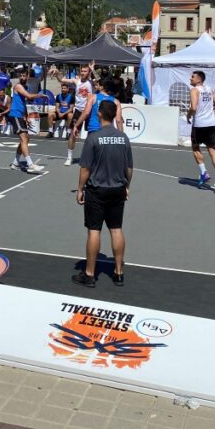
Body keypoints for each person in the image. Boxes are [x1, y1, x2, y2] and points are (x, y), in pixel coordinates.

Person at [73, 100, 133, 288]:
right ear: (115, 115)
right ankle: (118, 272)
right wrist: (127, 185)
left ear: (99, 114)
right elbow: (129, 167)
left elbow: (85, 168)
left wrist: (80, 188)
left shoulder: (94, 138)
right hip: (117, 188)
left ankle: (90, 274)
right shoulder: (123, 138)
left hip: (97, 189)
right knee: (116, 229)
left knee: (94, 230)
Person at [187, 70, 215, 193]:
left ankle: (204, 172)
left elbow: (193, 107)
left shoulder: (194, 90)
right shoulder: (209, 89)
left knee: (195, 148)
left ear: (199, 79)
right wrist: (208, 109)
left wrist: (188, 115)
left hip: (199, 125)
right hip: (211, 124)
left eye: (192, 77)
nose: (190, 78)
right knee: (212, 150)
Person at [55, 63, 95, 166]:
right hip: (78, 111)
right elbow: (62, 80)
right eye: (82, 71)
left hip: (89, 111)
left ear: (89, 72)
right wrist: (57, 73)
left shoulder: (92, 82)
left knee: (92, 135)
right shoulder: (76, 81)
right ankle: (69, 157)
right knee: (73, 134)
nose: (83, 73)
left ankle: (92, 156)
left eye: (85, 71)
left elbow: (99, 80)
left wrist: (93, 69)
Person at [8, 68, 46, 174]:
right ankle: (30, 164)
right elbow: (28, 96)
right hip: (15, 114)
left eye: (24, 75)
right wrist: (39, 95)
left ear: (27, 76)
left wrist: (26, 116)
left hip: (20, 116)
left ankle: (15, 163)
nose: (22, 77)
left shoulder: (26, 87)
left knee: (25, 139)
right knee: (24, 138)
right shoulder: (18, 86)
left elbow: (24, 102)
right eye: (20, 75)